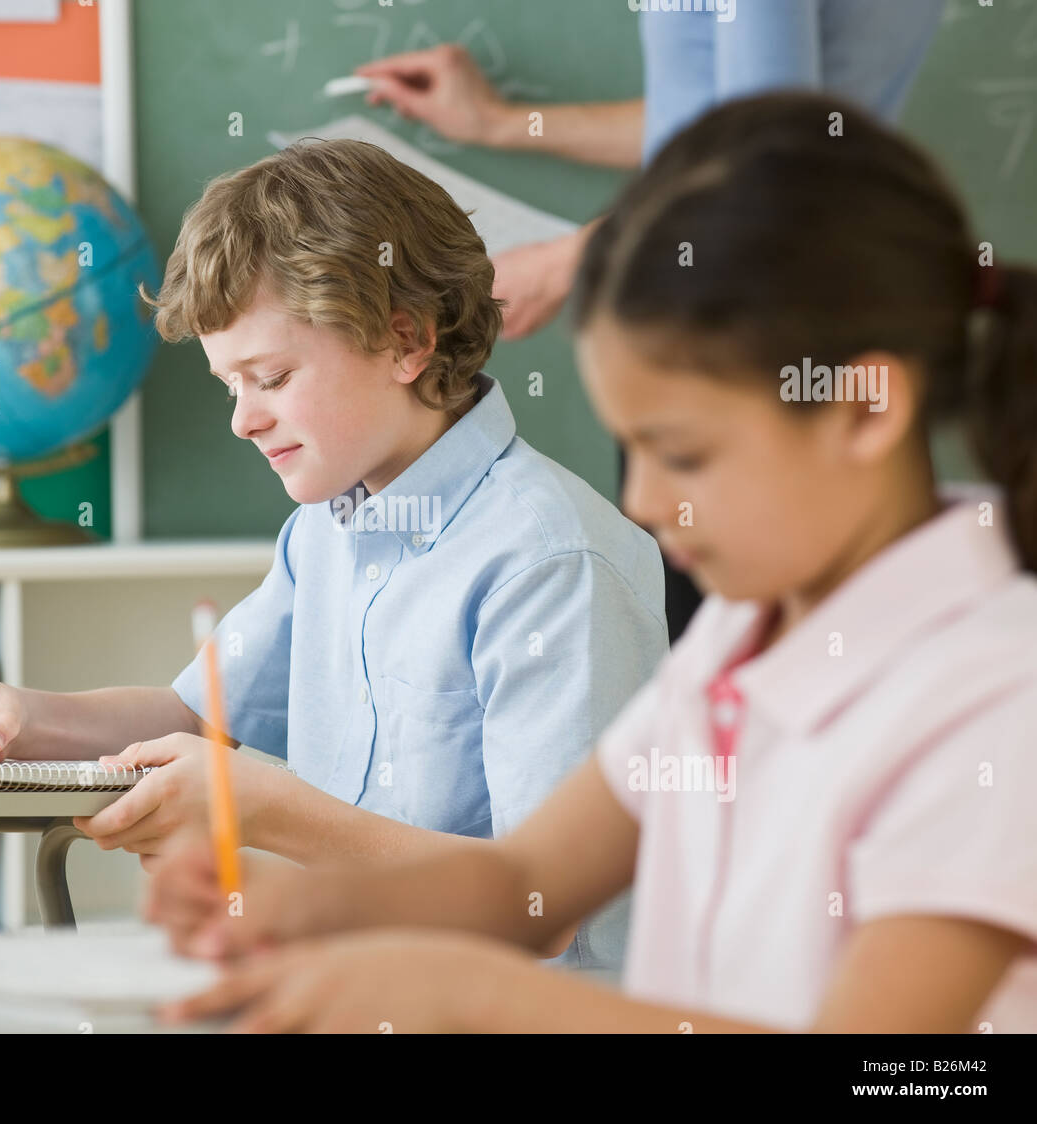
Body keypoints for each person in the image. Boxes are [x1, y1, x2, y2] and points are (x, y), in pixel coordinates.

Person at [146, 93, 1037, 1033]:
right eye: (630, 448)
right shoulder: (744, 631)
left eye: (684, 454)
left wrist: (469, 994)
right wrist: (302, 909)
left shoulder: (995, 695)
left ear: (862, 409)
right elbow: (527, 880)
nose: (647, 502)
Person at [0, 137, 667, 968]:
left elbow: (541, 905)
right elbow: (199, 717)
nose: (242, 420)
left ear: (405, 341)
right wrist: (22, 717)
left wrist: (267, 811)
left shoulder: (548, 561)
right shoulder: (328, 528)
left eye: (269, 378)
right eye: (228, 386)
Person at [356, 0, 946, 641]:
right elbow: (706, 122)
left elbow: (764, 161)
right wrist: (501, 122)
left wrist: (569, 260)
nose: (639, 503)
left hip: (736, 322)